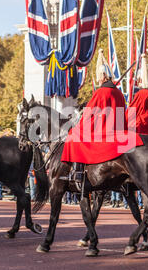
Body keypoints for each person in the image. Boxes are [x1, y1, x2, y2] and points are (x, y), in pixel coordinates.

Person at [61, 50, 143, 182]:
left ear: (104, 76)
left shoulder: (101, 92)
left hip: (102, 131)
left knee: (73, 136)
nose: (98, 79)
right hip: (118, 129)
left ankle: (78, 173)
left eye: (99, 76)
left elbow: (89, 115)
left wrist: (79, 124)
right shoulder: (119, 93)